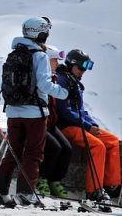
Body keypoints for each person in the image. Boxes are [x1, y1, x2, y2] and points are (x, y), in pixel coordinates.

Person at [0, 17, 68, 207]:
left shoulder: (14, 54)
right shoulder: (39, 55)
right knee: (33, 154)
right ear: (41, 32)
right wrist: (62, 92)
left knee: (12, 153)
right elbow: (43, 84)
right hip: (35, 113)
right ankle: (25, 194)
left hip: (13, 112)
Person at [56, 49, 121, 202]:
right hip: (65, 126)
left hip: (79, 124)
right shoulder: (62, 80)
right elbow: (64, 111)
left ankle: (111, 185)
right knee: (97, 146)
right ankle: (93, 190)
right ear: (71, 65)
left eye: (85, 68)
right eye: (80, 68)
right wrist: (87, 126)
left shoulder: (74, 82)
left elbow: (81, 109)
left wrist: (92, 124)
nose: (83, 71)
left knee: (112, 141)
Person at [36, 45, 72, 198]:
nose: (57, 63)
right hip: (40, 121)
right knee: (54, 147)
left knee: (67, 148)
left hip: (51, 123)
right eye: (54, 60)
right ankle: (41, 178)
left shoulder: (54, 78)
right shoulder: (43, 79)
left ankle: (55, 180)